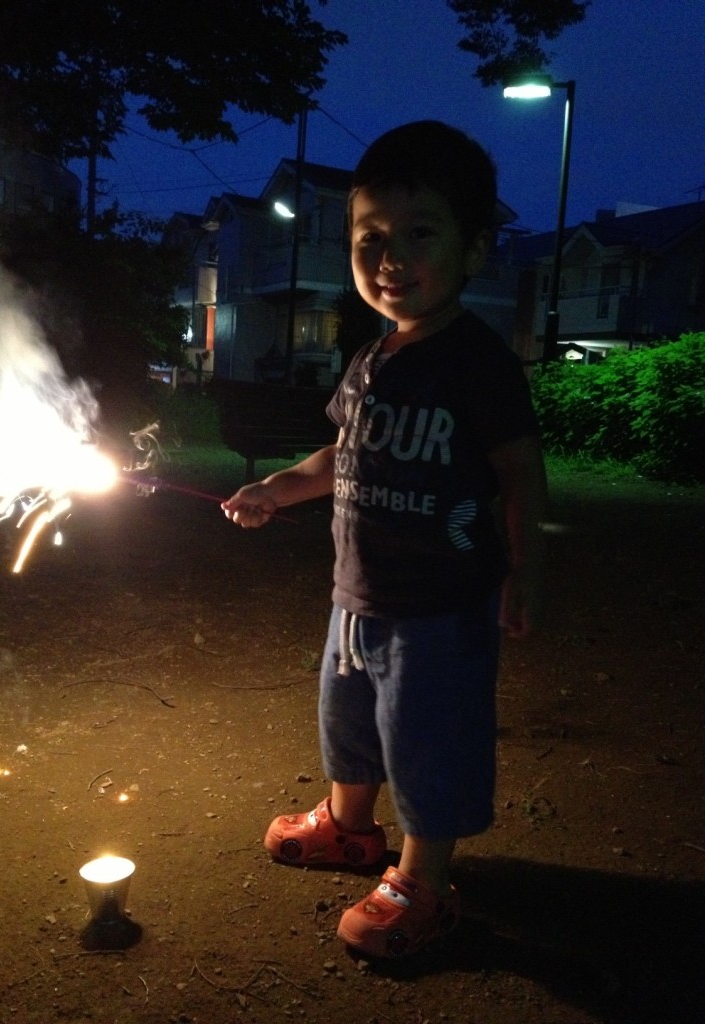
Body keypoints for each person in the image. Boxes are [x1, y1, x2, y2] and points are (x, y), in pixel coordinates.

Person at [221, 120, 548, 960]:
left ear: (474, 250)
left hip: (441, 608)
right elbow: (342, 454)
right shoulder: (369, 359)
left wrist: (522, 568)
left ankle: (424, 881)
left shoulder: (477, 362)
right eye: (370, 238)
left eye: (420, 234)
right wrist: (277, 488)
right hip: (358, 597)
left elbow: (519, 472)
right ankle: (350, 825)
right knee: (351, 722)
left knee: (428, 738)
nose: (390, 258)